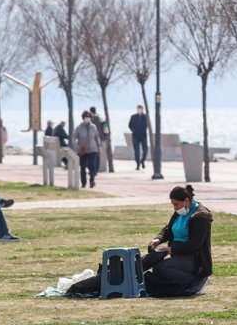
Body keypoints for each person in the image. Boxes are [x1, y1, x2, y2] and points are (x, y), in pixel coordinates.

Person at [68, 185, 213, 298]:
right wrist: (158, 239)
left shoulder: (200, 215)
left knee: (161, 269)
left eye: (176, 205)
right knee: (142, 264)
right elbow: (168, 229)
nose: (174, 208)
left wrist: (171, 250)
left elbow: (195, 244)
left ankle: (192, 281)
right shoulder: (179, 212)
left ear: (186, 201)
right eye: (173, 205)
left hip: (193, 259)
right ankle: (103, 280)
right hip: (177, 254)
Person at [74, 110, 101, 189]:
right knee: (82, 167)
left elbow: (97, 138)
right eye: (86, 117)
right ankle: (83, 183)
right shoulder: (79, 128)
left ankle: (92, 180)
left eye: (89, 117)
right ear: (83, 118)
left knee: (92, 165)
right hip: (82, 150)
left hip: (93, 149)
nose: (88, 118)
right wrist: (77, 147)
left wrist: (99, 149)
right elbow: (74, 138)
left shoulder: (94, 127)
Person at [129, 104, 149, 170]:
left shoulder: (145, 117)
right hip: (135, 136)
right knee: (136, 151)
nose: (139, 110)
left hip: (143, 136)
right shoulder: (133, 116)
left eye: (140, 109)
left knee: (145, 150)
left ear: (142, 109)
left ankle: (142, 161)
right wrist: (132, 130)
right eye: (138, 109)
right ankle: (138, 164)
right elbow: (130, 125)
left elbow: (148, 125)